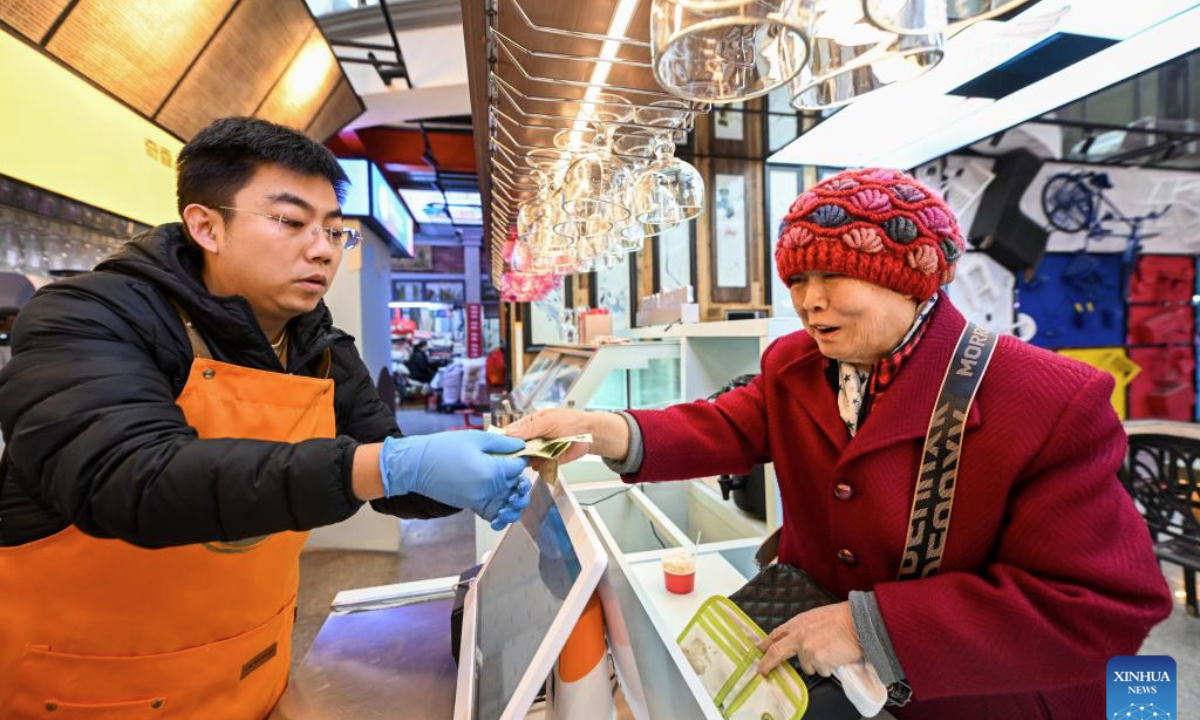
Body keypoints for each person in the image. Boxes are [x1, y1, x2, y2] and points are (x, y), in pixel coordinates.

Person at [509, 167, 1172, 720]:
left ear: (911, 276)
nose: (808, 301)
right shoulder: (797, 365)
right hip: (834, 686)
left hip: (979, 696)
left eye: (831, 277)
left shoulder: (1048, 399)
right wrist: (597, 429)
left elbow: (1105, 607)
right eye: (797, 280)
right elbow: (728, 425)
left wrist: (870, 626)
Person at [0, 117, 530, 719]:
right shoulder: (87, 317)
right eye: (290, 221)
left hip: (257, 668)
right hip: (85, 687)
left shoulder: (318, 345)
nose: (322, 248)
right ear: (207, 226)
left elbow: (390, 471)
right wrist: (386, 467)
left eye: (334, 230)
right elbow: (128, 477)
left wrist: (486, 467)